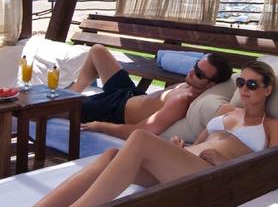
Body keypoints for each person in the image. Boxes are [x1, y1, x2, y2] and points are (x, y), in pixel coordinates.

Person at [0, 60, 278, 207]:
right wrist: (181, 148)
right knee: (111, 156)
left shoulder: (273, 125)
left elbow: (272, 171)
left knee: (138, 139)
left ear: (268, 89)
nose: (245, 89)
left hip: (220, 177)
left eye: (253, 84)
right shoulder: (226, 109)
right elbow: (198, 144)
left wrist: (228, 162)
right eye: (242, 82)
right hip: (190, 164)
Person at [69, 44, 232, 139]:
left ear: (210, 85)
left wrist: (101, 126)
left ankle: (67, 99)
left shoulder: (183, 100)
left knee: (57, 108)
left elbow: (143, 130)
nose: (191, 71)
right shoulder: (192, 84)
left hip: (115, 109)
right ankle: (72, 93)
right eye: (196, 65)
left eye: (199, 73)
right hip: (130, 93)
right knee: (97, 51)